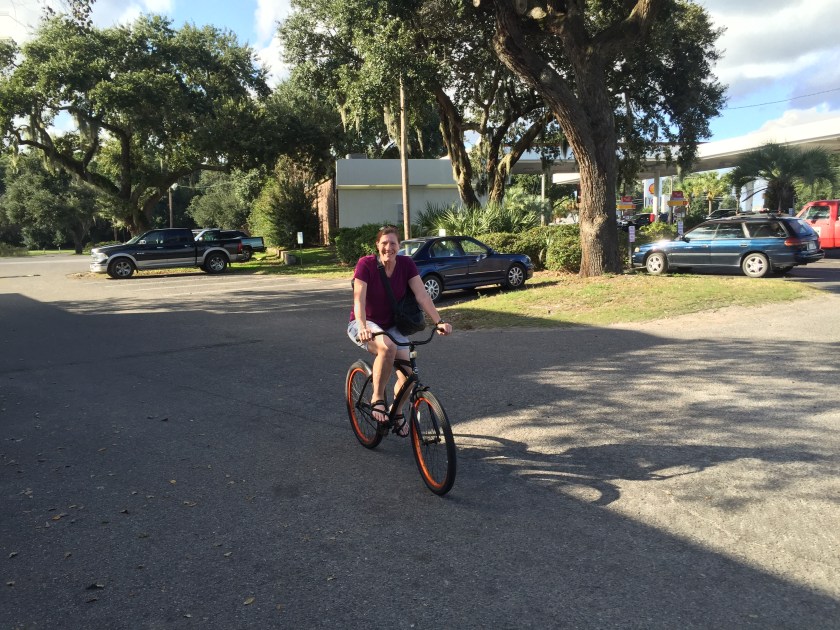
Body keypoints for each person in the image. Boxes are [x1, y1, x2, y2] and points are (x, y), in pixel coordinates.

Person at [347, 226, 452, 435]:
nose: (388, 247)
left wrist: (439, 321)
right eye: (384, 243)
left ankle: (397, 412)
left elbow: (422, 295)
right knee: (387, 348)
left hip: (391, 325)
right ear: (377, 245)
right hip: (364, 324)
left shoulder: (406, 264)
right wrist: (362, 326)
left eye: (393, 243)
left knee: (409, 375)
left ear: (399, 246)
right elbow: (358, 299)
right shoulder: (366, 264)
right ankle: (377, 397)